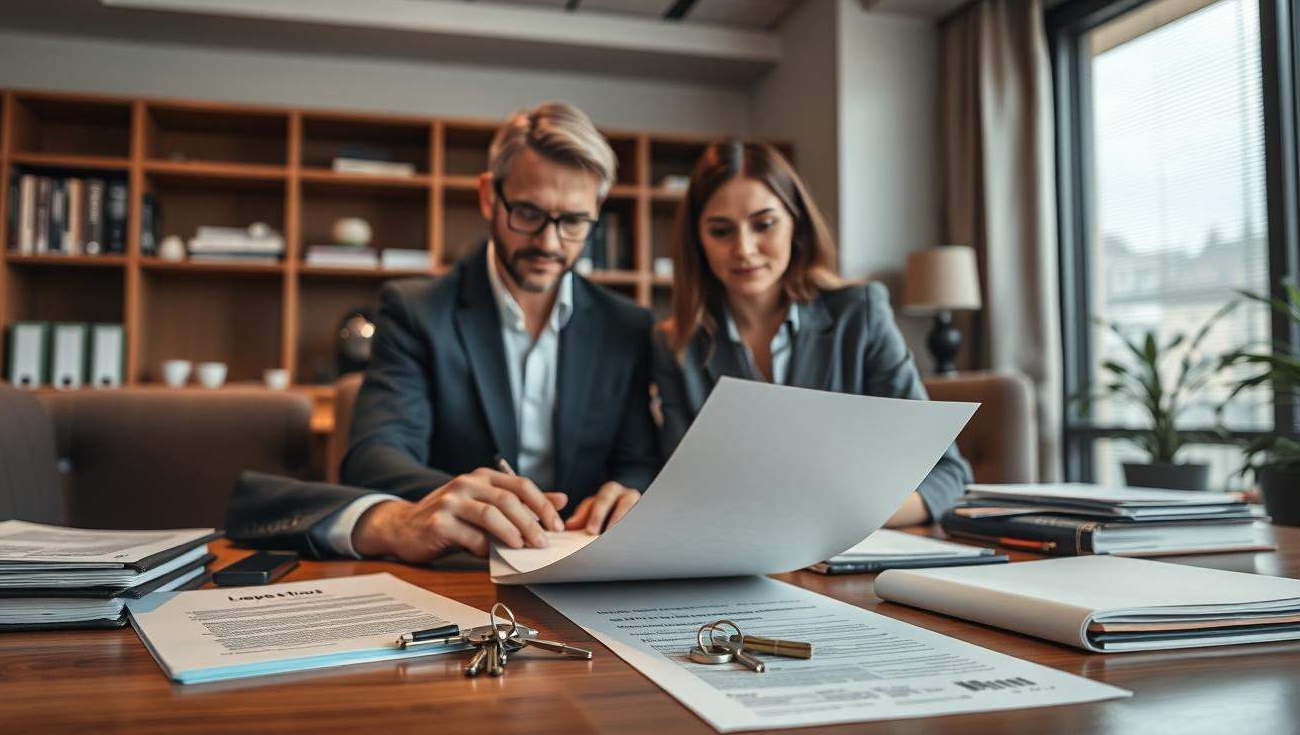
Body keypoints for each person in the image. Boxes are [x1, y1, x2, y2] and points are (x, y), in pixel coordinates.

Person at [228, 103, 661, 562]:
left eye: (573, 221)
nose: (549, 243)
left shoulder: (628, 326)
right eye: (528, 212)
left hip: (586, 563)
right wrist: (470, 503)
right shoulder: (416, 310)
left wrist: (628, 490)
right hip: (459, 563)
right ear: (488, 197)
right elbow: (375, 456)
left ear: (596, 210)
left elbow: (639, 460)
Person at [653, 140, 970, 525]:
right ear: (697, 241)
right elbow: (680, 491)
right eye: (721, 231)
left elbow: (947, 473)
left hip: (853, 544)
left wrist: (843, 521)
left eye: (764, 224)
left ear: (796, 224)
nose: (745, 249)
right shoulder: (674, 345)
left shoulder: (860, 314)